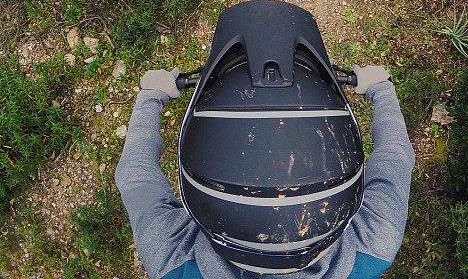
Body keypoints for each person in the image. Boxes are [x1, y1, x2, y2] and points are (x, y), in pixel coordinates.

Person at [115, 63, 415, 279]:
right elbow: (134, 175)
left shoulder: (377, 243)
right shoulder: (372, 248)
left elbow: (395, 157)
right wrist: (381, 89)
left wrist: (152, 95)